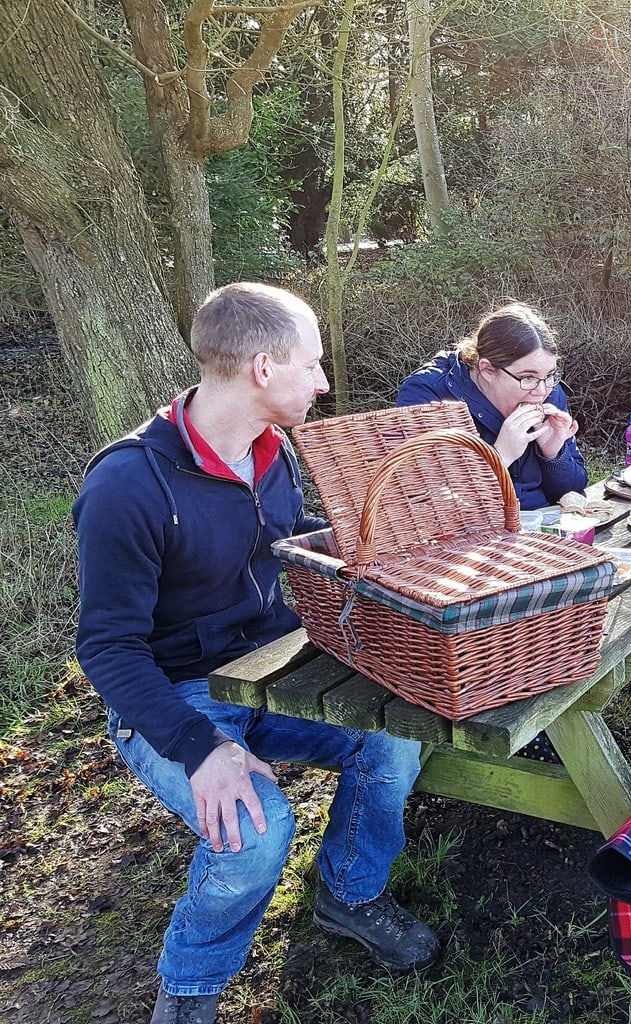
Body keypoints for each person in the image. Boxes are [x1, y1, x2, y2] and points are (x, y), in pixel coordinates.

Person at [73, 283, 439, 1024]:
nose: (325, 382)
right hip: (174, 697)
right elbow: (106, 647)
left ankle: (349, 891)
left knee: (397, 735)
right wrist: (200, 747)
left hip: (273, 666)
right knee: (254, 834)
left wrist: (334, 541)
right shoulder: (127, 484)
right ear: (264, 368)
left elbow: (273, 531)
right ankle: (189, 992)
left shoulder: (272, 452)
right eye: (314, 365)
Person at [396, 301, 588, 510]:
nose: (541, 391)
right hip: (471, 534)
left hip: (542, 527)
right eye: (527, 377)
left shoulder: (548, 391)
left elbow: (573, 492)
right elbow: (423, 501)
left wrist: (554, 455)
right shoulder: (428, 394)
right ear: (487, 370)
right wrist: (500, 455)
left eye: (550, 375)